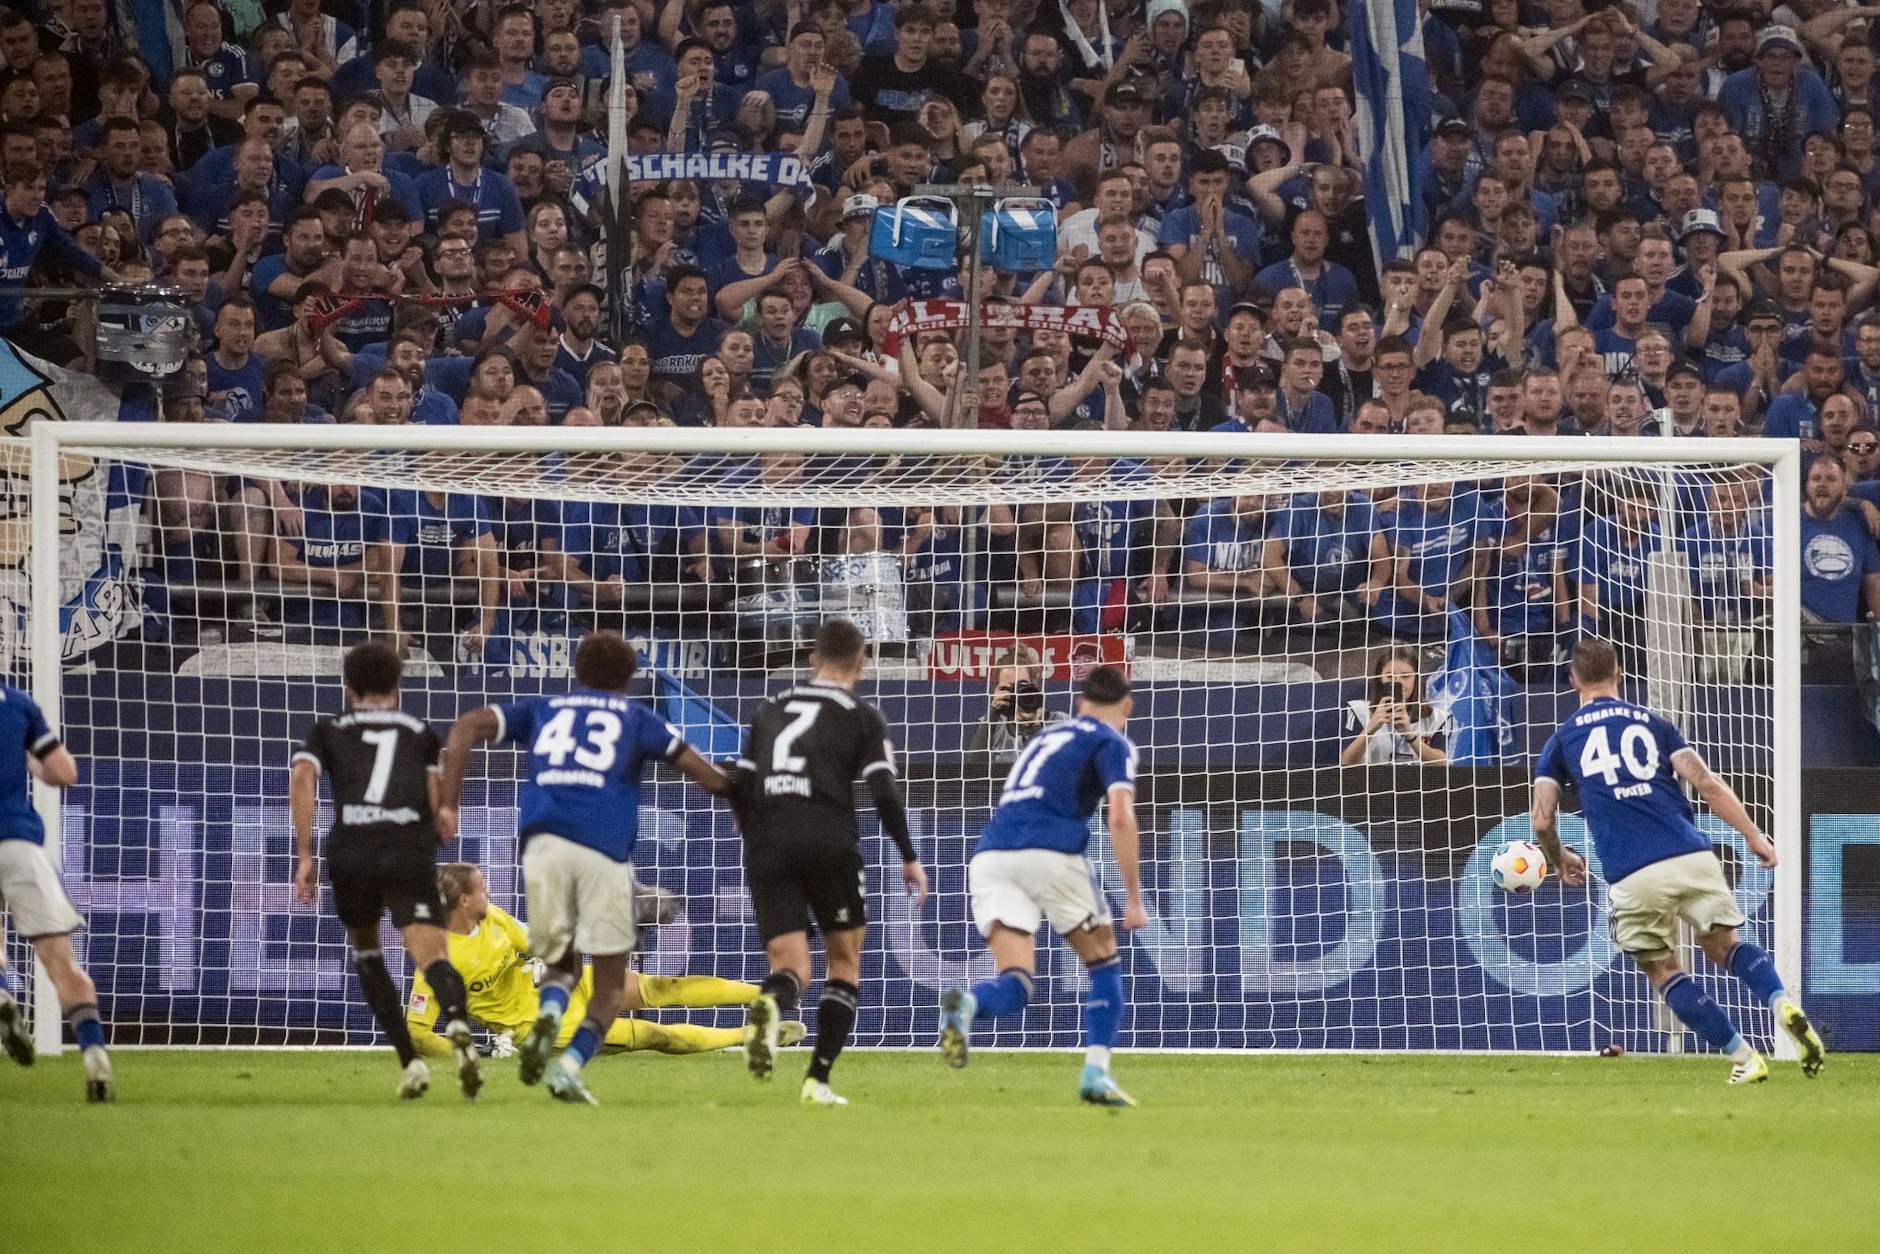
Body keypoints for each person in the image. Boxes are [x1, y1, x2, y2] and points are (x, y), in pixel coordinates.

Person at [437, 632, 734, 1105]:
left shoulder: (543, 709)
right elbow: (705, 775)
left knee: (560, 966)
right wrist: (744, 790)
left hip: (542, 846)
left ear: (576, 671)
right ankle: (569, 1067)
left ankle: (549, 1016)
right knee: (610, 986)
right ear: (630, 677)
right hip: (602, 851)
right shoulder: (639, 718)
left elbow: (466, 726)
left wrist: (448, 805)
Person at [1529, 638, 1826, 1084]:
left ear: (1572, 681)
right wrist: (1754, 836)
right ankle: (1781, 1001)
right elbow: (1706, 782)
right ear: (1621, 674)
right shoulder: (1654, 723)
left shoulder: (1562, 739)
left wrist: (1559, 857)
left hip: (1633, 871)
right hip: (1692, 854)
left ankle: (1745, 1058)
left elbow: (1541, 817)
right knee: (1725, 946)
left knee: (1664, 970)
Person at [733, 620, 928, 1105]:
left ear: (812, 659)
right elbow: (884, 790)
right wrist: (908, 854)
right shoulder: (861, 715)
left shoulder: (769, 710)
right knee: (843, 961)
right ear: (861, 661)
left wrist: (754, 834)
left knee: (789, 965)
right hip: (827, 841)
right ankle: (817, 1080)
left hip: (769, 844)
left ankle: (769, 1006)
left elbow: (738, 784)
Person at [937, 664, 1146, 1108]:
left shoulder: (1049, 737)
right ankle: (1095, 1073)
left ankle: (966, 1005)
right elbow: (1121, 817)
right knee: (1105, 965)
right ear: (1126, 707)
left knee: (1016, 982)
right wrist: (1132, 895)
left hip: (991, 855)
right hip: (1050, 853)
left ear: (1078, 703)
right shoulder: (1112, 741)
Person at [406, 863, 805, 1060]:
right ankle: (751, 1037)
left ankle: (769, 995)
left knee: (660, 988)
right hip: (542, 1026)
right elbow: (417, 1033)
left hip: (557, 985)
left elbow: (535, 940)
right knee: (652, 1035)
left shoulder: (492, 917)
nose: (488, 891)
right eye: (481, 888)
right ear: (463, 901)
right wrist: (475, 1052)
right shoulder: (436, 958)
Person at [0, 680, 112, 1101]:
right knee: (63, 966)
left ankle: (2, 993)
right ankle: (95, 1059)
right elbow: (65, 773)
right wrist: (28, 761)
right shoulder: (19, 703)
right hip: (20, 845)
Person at [1339, 647, 1451, 766]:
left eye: (1405, 676)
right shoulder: (1358, 711)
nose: (1398, 683)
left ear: (1416, 678)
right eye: (1390, 676)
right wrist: (1371, 728)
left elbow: (1443, 765)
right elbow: (1345, 763)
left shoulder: (1438, 718)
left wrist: (1410, 736)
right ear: (1380, 678)